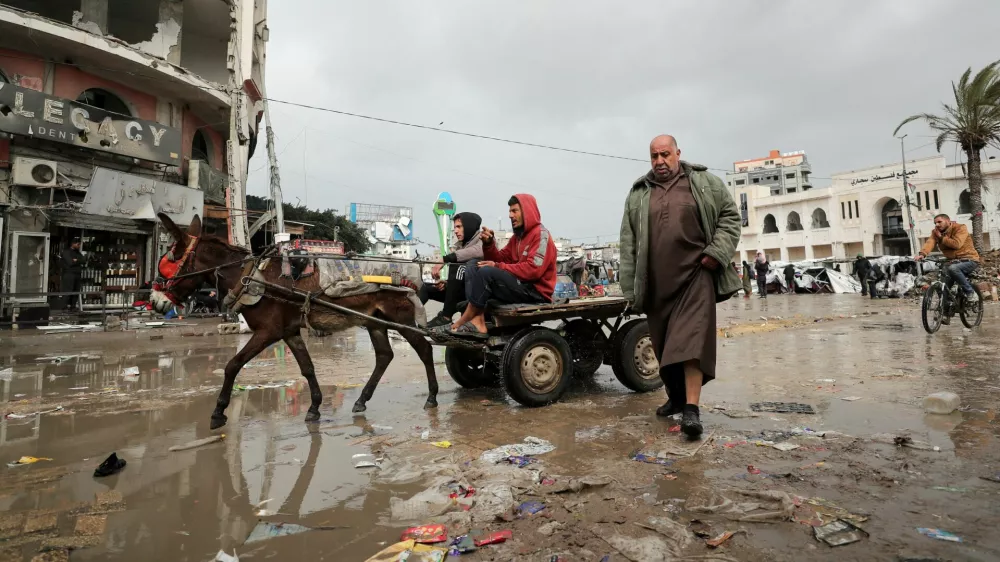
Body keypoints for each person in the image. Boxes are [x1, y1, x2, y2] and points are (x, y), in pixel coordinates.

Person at [618, 135, 741, 439]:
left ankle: (692, 410)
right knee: (664, 346)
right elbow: (628, 242)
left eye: (665, 155)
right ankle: (675, 396)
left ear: (678, 153)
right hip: (657, 282)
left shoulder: (705, 183)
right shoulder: (638, 194)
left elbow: (730, 218)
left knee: (691, 344)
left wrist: (716, 253)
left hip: (696, 275)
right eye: (654, 156)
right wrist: (631, 289)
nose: (660, 161)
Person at [449, 194, 556, 336]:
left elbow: (533, 270)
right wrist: (489, 244)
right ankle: (477, 317)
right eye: (510, 211)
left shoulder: (541, 236)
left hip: (534, 292)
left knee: (487, 271)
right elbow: (501, 258)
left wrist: (498, 266)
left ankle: (468, 316)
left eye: (514, 211)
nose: (510, 215)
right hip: (520, 286)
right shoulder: (516, 238)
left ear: (527, 212)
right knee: (474, 265)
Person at [421, 212, 484, 328]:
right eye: (455, 227)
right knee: (427, 288)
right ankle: (413, 319)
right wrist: (447, 284)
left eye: (459, 227)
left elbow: (475, 252)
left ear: (469, 226)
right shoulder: (461, 245)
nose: (455, 231)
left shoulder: (482, 240)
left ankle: (446, 317)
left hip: (476, 294)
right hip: (459, 293)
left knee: (457, 267)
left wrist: (445, 260)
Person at [915, 214, 981, 315]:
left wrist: (941, 238)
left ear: (947, 221)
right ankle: (946, 312)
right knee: (944, 285)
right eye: (935, 223)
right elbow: (930, 242)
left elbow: (956, 244)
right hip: (952, 261)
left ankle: (970, 293)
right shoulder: (936, 232)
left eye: (939, 222)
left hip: (969, 259)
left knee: (953, 269)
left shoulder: (960, 228)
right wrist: (922, 254)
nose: (937, 224)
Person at [60, 238, 85, 311]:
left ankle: (73, 306)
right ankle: (64, 307)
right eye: (78, 244)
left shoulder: (78, 253)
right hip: (69, 274)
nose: (79, 246)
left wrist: (76, 260)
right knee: (68, 290)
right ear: (73, 243)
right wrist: (78, 261)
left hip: (77, 274)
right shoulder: (66, 252)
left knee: (76, 291)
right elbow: (70, 262)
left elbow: (84, 260)